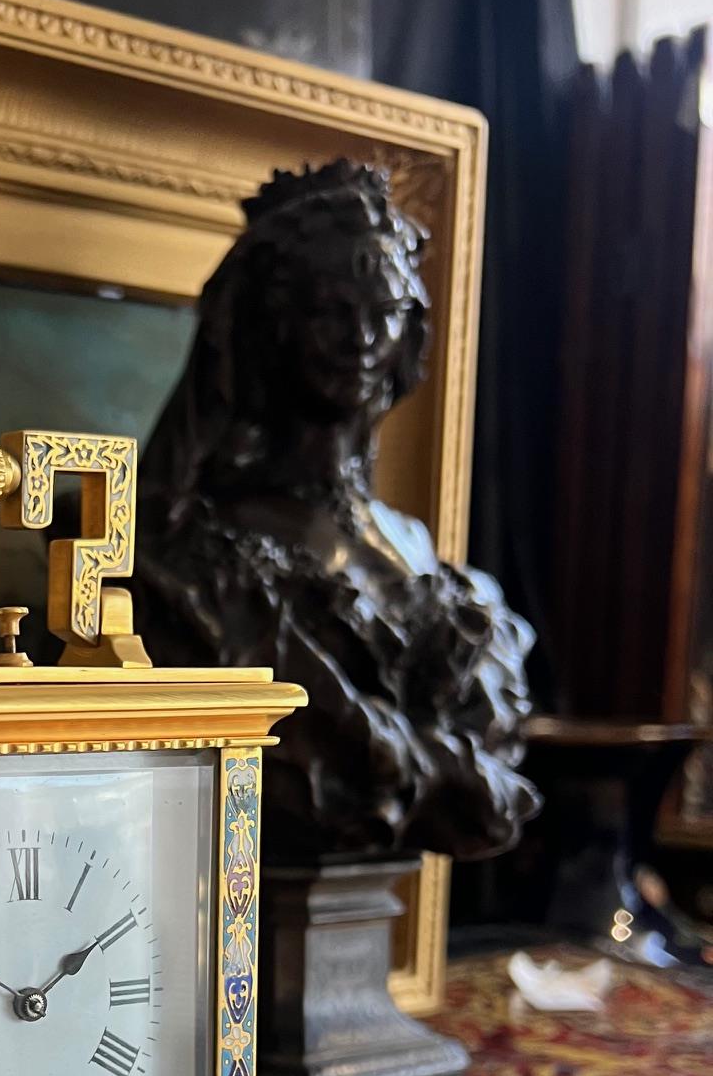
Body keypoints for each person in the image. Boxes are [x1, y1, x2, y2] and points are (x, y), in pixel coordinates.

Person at [136, 160, 538, 862]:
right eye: (331, 311)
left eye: (381, 311)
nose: (360, 338)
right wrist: (447, 768)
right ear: (275, 329)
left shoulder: (425, 559)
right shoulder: (196, 555)